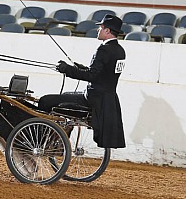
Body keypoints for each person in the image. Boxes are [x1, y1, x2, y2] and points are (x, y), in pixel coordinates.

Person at [38, 14, 126, 148]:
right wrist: (82, 68)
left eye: (101, 28)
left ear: (107, 30)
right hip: (107, 99)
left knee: (45, 101)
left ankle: (41, 142)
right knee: (66, 94)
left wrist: (66, 69)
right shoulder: (120, 51)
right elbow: (103, 74)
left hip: (93, 98)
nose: (98, 30)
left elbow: (91, 76)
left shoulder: (103, 49)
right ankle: (59, 140)